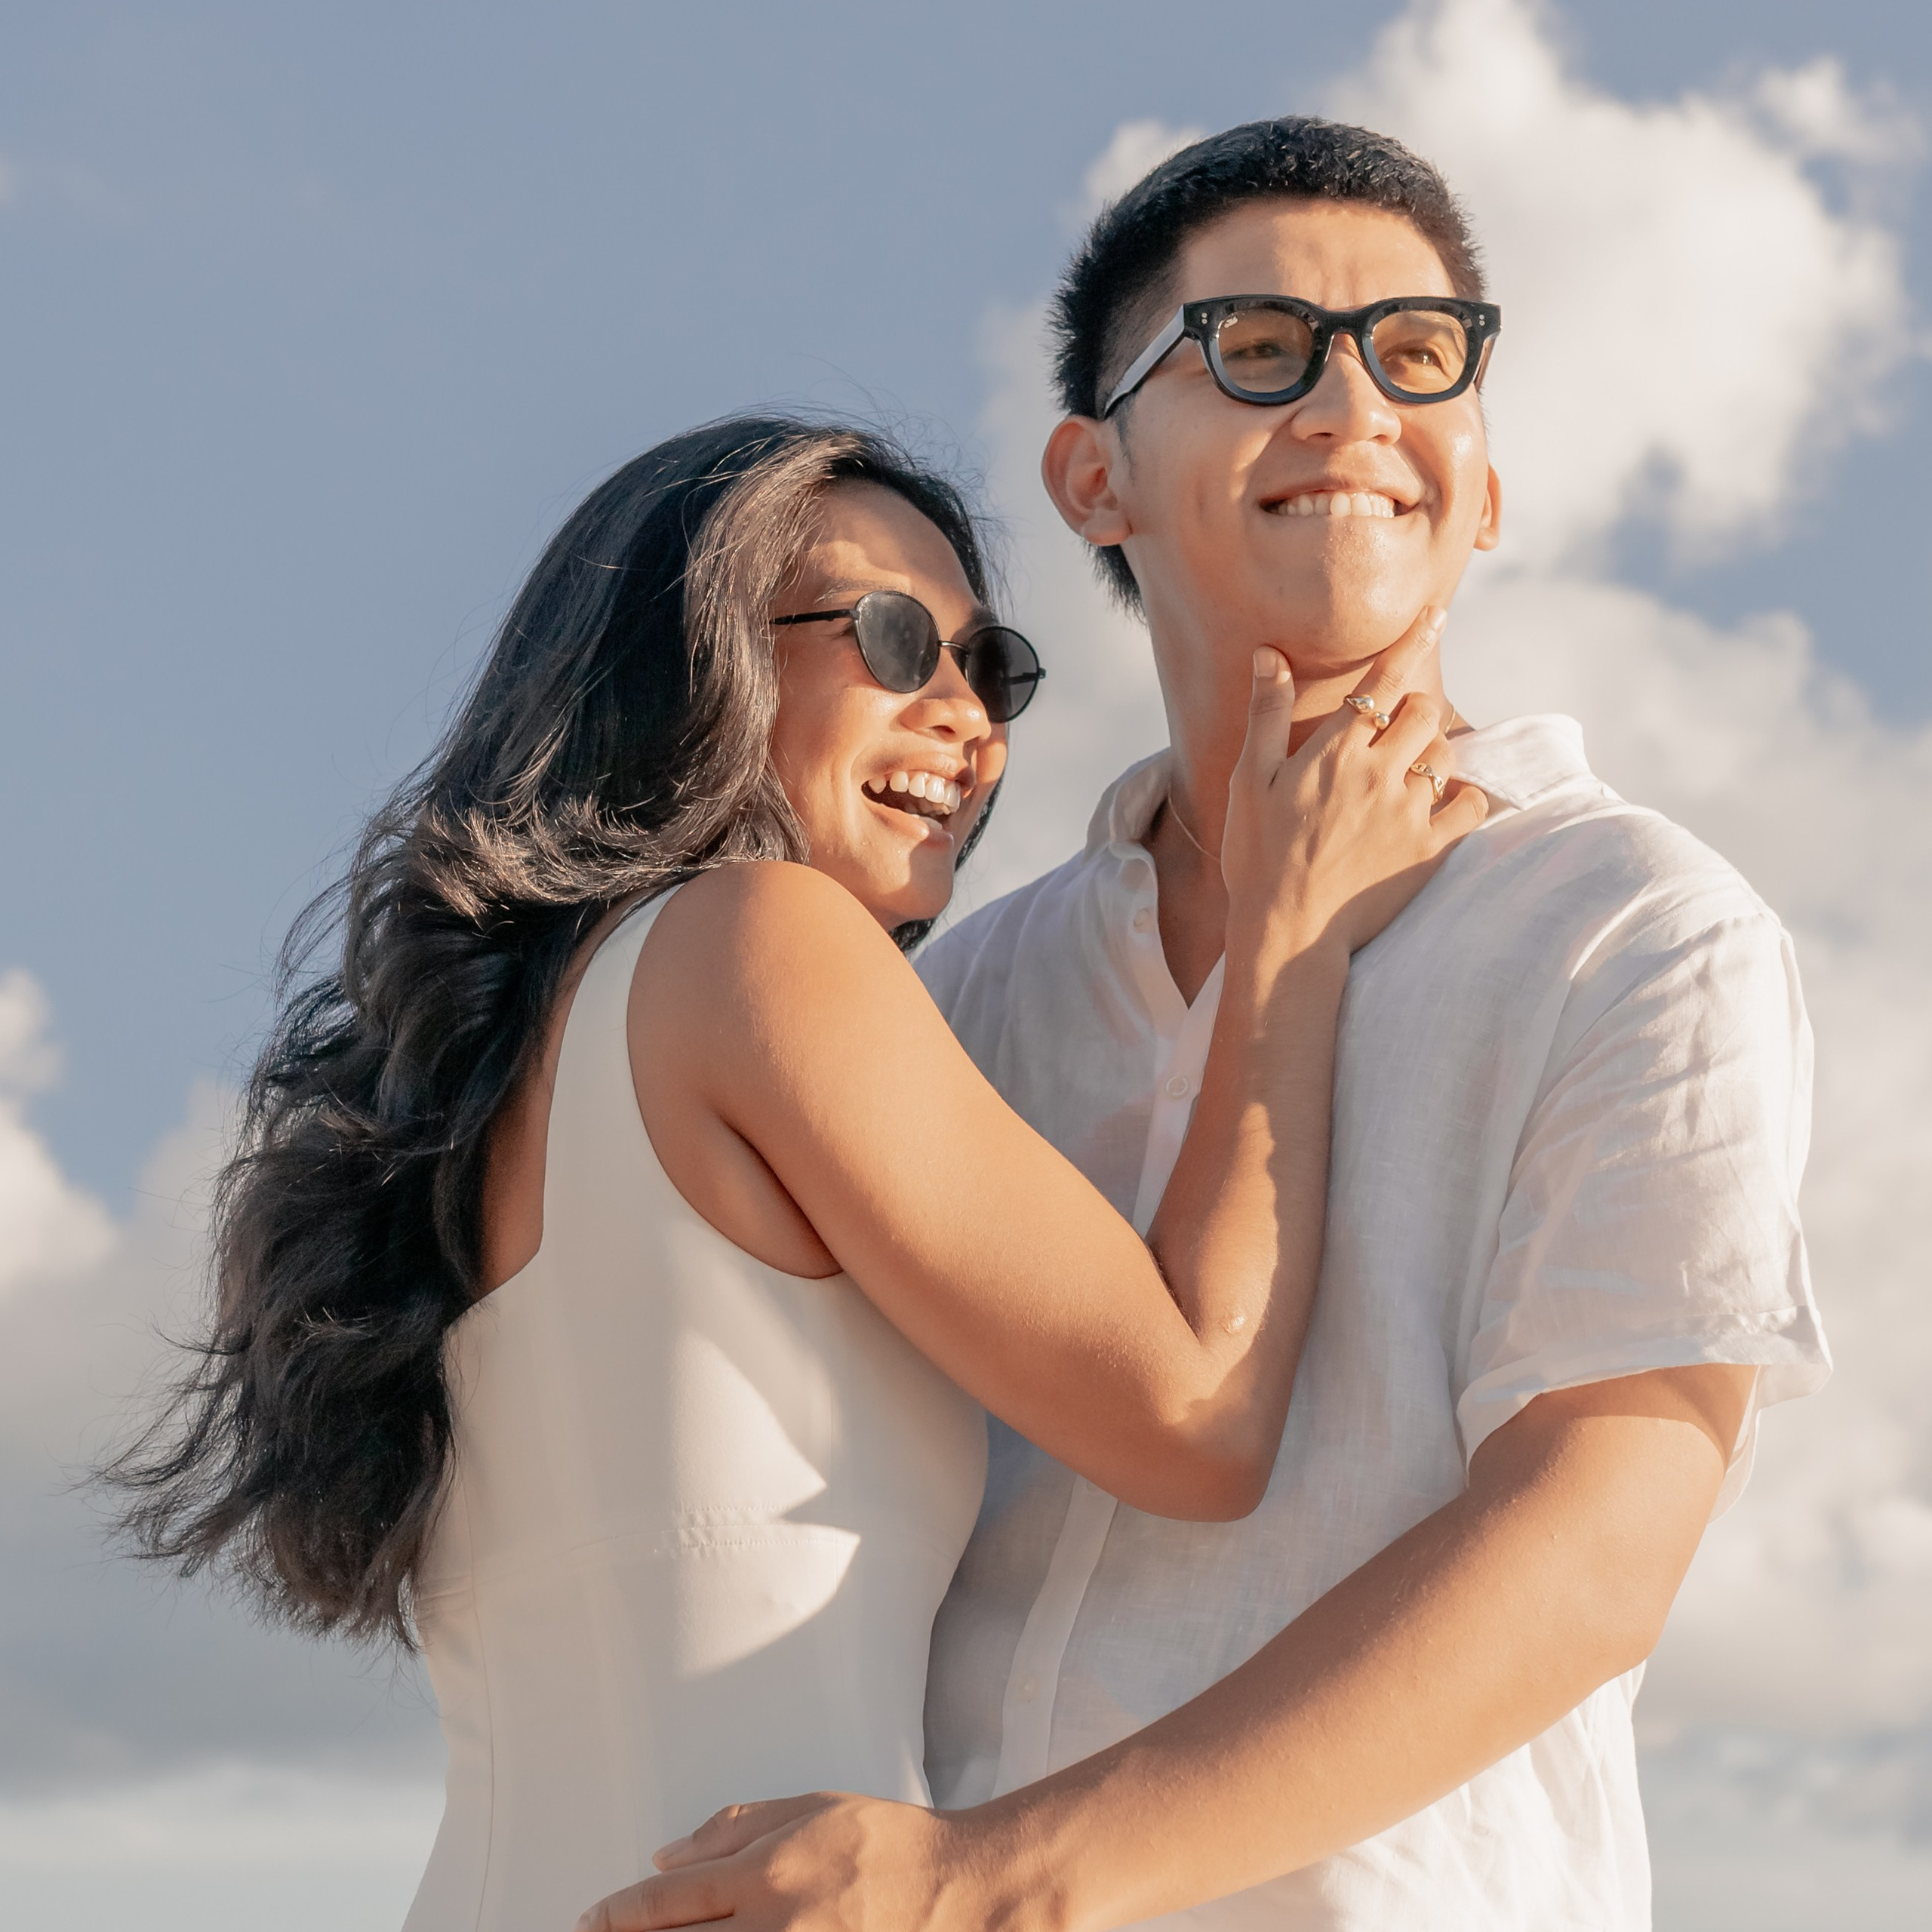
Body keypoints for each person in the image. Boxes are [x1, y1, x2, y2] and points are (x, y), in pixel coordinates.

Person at [581, 118, 1830, 1932]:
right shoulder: (950, 987)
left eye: (1418, 356)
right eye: (1257, 350)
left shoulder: (1634, 927)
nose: (1347, 410)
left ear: (1480, 483)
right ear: (1091, 477)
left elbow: (1592, 1544)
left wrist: (993, 1874)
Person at [108, 414, 1478, 1931]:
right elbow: (1194, 1411)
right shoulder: (754, 933)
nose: (965, 716)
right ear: (692, 658)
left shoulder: (501, 1081)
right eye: (892, 638)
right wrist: (1288, 932)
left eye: (990, 664)